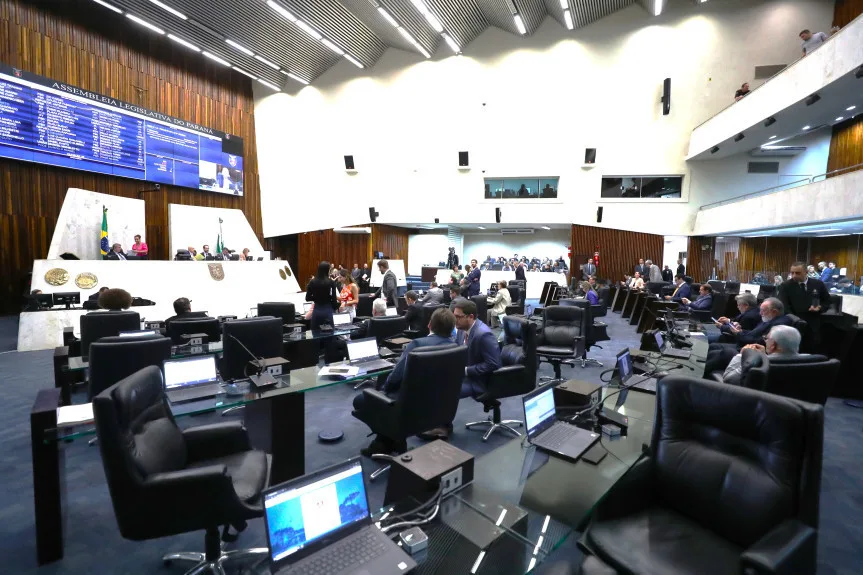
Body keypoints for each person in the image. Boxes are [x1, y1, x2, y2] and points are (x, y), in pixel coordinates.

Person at [354, 308, 457, 455]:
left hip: (408, 407)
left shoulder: (417, 345)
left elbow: (395, 377)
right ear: (452, 328)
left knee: (361, 400)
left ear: (429, 325)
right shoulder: (455, 347)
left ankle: (388, 440)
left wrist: (384, 390)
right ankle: (384, 441)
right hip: (437, 406)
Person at [422, 299, 501, 440]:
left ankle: (443, 426)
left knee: (446, 389)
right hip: (465, 373)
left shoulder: (483, 334)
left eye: (458, 317)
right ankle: (435, 421)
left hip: (480, 380)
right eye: (454, 316)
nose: (454, 320)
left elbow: (494, 364)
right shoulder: (461, 330)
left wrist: (465, 370)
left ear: (471, 317)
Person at [705, 297, 794, 375]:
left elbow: (757, 341)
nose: (760, 313)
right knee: (713, 350)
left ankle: (700, 375)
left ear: (774, 312)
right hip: (745, 346)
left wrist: (738, 333)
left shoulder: (778, 325)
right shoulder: (769, 319)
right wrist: (741, 330)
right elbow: (753, 333)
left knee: (724, 352)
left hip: (753, 352)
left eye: (763, 310)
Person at [722, 324, 802, 385]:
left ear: (773, 345)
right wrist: (765, 355)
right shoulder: (811, 360)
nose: (765, 341)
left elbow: (728, 379)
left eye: (766, 339)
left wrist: (742, 355)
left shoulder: (757, 365)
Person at [777, 261, 830, 350]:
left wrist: (820, 307)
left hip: (813, 324)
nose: (794, 275)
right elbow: (784, 306)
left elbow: (827, 301)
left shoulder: (818, 284)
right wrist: (796, 320)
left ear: (806, 272)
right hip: (794, 325)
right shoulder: (785, 286)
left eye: (797, 273)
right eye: (792, 273)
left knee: (812, 350)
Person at [305, 261, 340, 330]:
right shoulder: (331, 282)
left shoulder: (312, 282)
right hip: (328, 311)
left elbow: (307, 298)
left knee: (315, 334)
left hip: (317, 311)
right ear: (327, 270)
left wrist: (316, 298)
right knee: (328, 335)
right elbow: (334, 301)